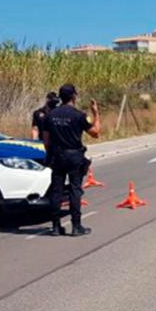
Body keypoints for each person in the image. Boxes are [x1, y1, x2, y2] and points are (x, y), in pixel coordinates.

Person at [43, 84, 100, 236]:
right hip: (74, 156)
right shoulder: (79, 115)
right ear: (74, 96)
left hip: (57, 156)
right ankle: (76, 226)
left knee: (56, 190)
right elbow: (95, 133)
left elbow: (46, 141)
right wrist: (96, 114)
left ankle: (55, 226)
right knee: (75, 190)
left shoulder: (50, 115)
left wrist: (52, 153)